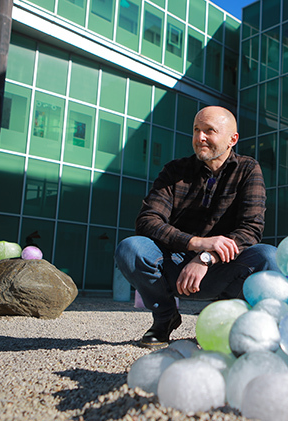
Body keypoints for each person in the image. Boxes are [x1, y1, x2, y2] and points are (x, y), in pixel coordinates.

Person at [114, 105, 279, 348]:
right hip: (175, 267)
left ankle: (227, 316)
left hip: (223, 267)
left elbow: (251, 229)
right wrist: (196, 243)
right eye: (196, 130)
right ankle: (165, 317)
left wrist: (205, 257)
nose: (200, 138)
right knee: (130, 249)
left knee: (268, 257)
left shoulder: (247, 169)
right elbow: (148, 221)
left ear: (232, 139)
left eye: (209, 131)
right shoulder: (174, 171)